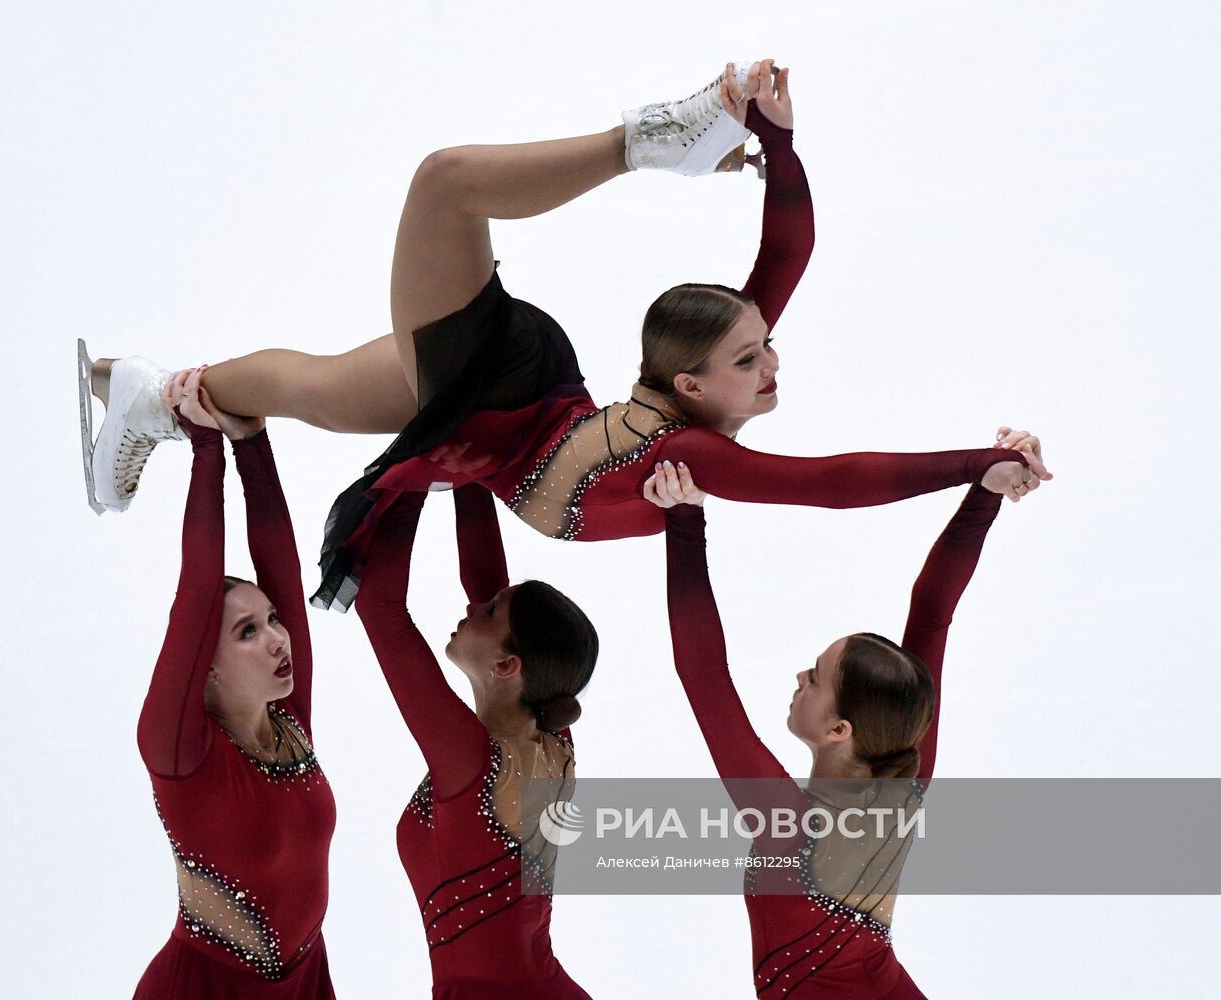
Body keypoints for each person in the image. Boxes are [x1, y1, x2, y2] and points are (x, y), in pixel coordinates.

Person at [77, 60, 1045, 611]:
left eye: (762, 348)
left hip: (501, 422)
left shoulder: (695, 428)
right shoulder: (691, 441)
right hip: (501, 385)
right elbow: (836, 475)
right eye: (752, 356)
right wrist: (974, 463)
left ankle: (155, 395)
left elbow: (792, 271)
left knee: (313, 388)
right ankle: (647, 139)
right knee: (444, 182)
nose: (772, 361)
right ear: (692, 379)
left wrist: (781, 147)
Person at [654, 430, 1048, 998]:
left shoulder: (792, 825)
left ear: (840, 730)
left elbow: (704, 677)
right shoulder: (905, 774)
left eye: (814, 678)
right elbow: (932, 614)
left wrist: (685, 525)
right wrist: (983, 495)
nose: (798, 677)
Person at [131, 369, 338, 999]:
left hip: (306, 982)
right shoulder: (177, 752)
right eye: (248, 632)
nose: (280, 639)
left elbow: (283, 563)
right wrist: (205, 451)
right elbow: (196, 592)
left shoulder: (288, 718)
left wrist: (253, 445)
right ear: (205, 662)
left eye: (273, 619)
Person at [353, 483, 598, 999]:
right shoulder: (550, 735)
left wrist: (413, 473)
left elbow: (380, 607)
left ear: (507, 666)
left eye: (489, 612)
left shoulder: (472, 760)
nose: (473, 607)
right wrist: (465, 466)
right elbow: (487, 578)